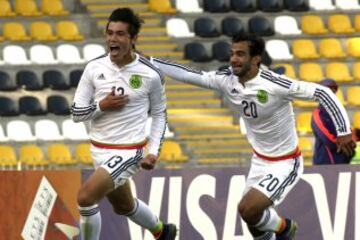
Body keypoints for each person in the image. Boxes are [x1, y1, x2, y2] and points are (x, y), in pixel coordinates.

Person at [150, 32, 356, 240]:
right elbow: (189, 74)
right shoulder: (226, 80)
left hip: (286, 162)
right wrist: (149, 61)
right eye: (232, 54)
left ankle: (284, 228)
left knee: (249, 209)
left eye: (240, 54)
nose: (233, 59)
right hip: (259, 160)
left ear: (256, 59)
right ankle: (281, 231)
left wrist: (343, 130)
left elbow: (324, 93)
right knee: (251, 220)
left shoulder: (275, 84)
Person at [71, 8, 176, 240]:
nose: (112, 39)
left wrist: (153, 151)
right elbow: (77, 113)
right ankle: (163, 232)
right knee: (125, 206)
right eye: (109, 33)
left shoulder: (151, 74)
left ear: (133, 39)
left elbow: (159, 115)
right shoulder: (94, 68)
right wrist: (101, 106)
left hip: (129, 151)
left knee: (86, 198)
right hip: (98, 149)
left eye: (119, 34)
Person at [311, 79, 356, 164]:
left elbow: (347, 132)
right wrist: (343, 144)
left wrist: (350, 145)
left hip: (342, 159)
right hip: (325, 161)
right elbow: (326, 137)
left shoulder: (340, 112)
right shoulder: (318, 113)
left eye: (333, 91)